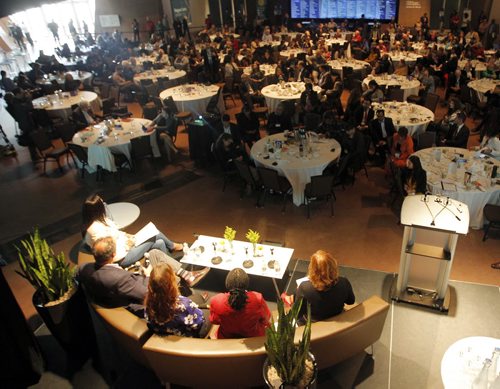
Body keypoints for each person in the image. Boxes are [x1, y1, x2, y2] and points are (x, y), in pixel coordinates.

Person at [77, 239, 209, 317]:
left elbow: (76, 274)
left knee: (154, 253)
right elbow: (149, 294)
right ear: (113, 254)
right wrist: (152, 275)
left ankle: (186, 275)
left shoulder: (85, 269)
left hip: (140, 282)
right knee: (165, 270)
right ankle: (187, 285)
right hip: (152, 291)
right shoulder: (119, 278)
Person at [82, 194, 183, 268]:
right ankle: (173, 247)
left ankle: (168, 269)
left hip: (126, 247)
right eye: (103, 203)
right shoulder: (96, 229)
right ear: (99, 208)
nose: (105, 204)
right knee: (155, 234)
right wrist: (128, 244)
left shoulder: (98, 221)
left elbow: (115, 233)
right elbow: (108, 250)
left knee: (160, 243)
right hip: (123, 257)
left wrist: (127, 237)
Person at [281, 250, 355, 324]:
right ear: (333, 266)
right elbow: (351, 301)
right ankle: (292, 298)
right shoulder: (343, 281)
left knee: (296, 299)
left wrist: (299, 292)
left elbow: (297, 313)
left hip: (314, 322)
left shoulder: (305, 287)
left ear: (312, 269)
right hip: (337, 314)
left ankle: (290, 298)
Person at [145, 262, 208, 337]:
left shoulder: (148, 304)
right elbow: (199, 322)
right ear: (171, 282)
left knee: (197, 298)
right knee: (211, 306)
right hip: (185, 338)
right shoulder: (184, 304)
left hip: (164, 334)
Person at [209, 268, 271, 339]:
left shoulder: (216, 300)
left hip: (226, 338)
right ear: (247, 283)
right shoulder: (257, 299)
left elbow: (214, 320)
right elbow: (266, 318)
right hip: (253, 337)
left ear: (227, 284)